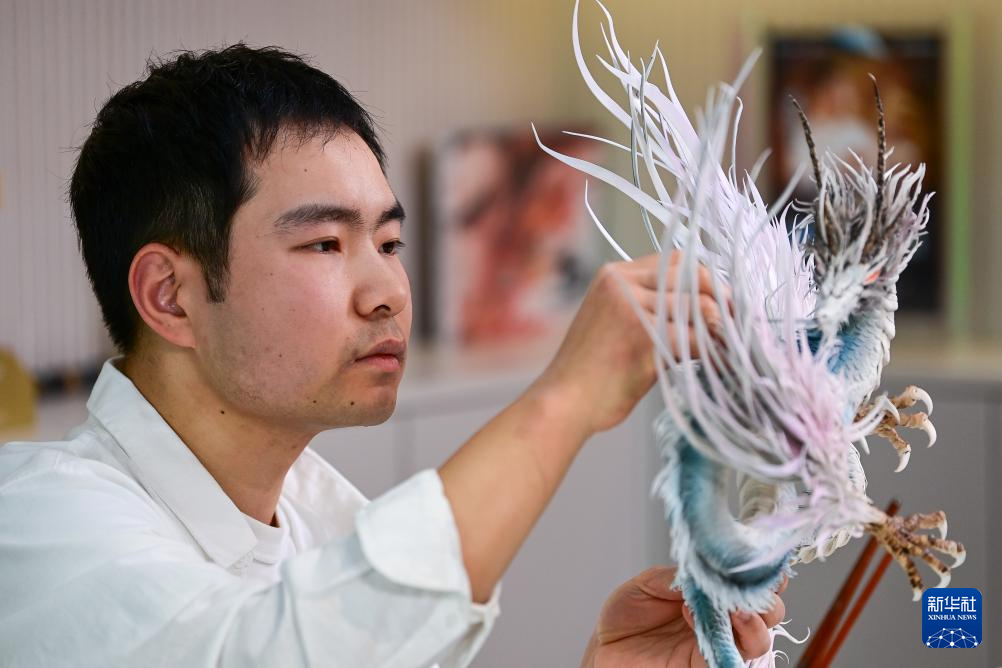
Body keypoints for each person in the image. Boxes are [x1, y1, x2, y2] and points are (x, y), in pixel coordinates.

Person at [0, 44, 784, 667]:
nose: (388, 294)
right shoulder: (37, 525)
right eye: (324, 243)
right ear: (170, 296)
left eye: (388, 242)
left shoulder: (325, 516)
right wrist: (564, 399)